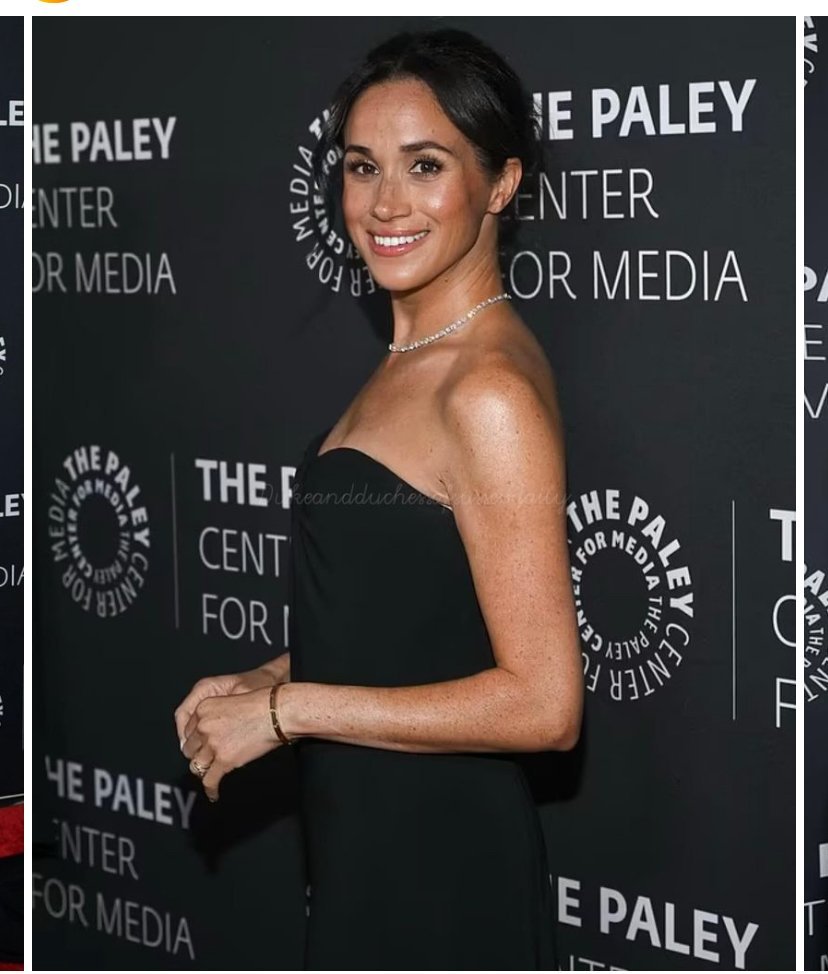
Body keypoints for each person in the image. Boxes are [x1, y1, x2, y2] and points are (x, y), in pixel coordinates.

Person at [175, 27, 583, 969]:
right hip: (368, 842)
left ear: (502, 183)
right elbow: (421, 622)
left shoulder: (485, 391)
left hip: (439, 866)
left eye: (425, 165)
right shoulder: (416, 357)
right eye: (363, 167)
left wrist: (290, 712)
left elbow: (544, 704)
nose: (385, 203)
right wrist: (274, 678)